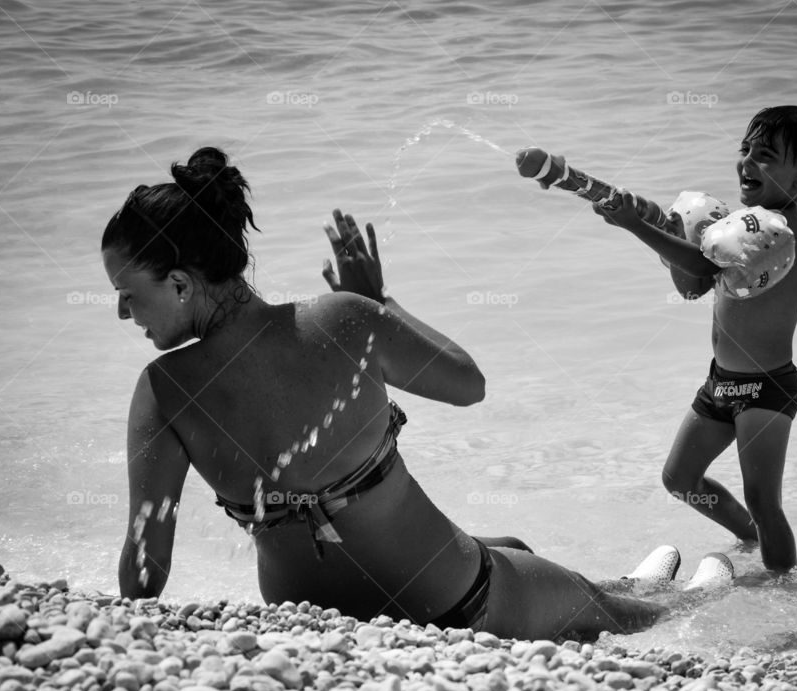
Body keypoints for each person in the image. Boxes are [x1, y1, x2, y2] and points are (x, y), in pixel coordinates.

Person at [101, 146, 686, 640]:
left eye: (126, 292)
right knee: (613, 613)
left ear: (180, 282)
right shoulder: (340, 318)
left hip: (319, 630)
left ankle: (630, 581)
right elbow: (467, 384)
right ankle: (671, 597)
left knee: (510, 542)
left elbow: (146, 572)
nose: (123, 311)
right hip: (456, 607)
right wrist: (380, 302)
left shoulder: (164, 392)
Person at [594, 105, 797, 572]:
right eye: (745, 149)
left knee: (765, 501)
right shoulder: (746, 223)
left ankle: (785, 585)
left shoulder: (777, 230)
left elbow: (706, 266)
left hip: (765, 389)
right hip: (721, 382)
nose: (747, 161)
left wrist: (635, 227)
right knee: (679, 478)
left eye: (765, 155)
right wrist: (664, 230)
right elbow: (697, 283)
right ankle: (751, 540)